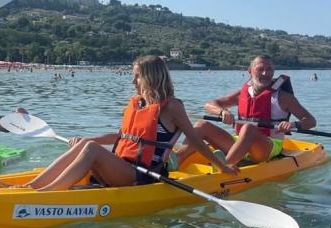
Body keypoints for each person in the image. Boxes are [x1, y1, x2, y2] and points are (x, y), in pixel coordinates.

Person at [17, 55, 236, 191]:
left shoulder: (172, 107)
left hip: (142, 175)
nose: (133, 81)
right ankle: (31, 186)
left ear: (151, 78)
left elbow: (196, 140)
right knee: (87, 145)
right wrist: (86, 139)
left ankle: (47, 194)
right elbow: (122, 136)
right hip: (122, 166)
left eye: (137, 76)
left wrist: (221, 166)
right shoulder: (139, 104)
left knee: (91, 149)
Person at [177, 54, 316, 167]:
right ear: (250, 71)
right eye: (260, 69)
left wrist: (292, 125)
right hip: (239, 142)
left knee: (248, 128)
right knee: (201, 125)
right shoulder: (242, 93)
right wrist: (222, 112)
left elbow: (310, 121)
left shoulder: (284, 97)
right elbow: (209, 104)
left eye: (269, 70)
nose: (265, 73)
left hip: (267, 147)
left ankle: (225, 166)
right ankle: (175, 161)